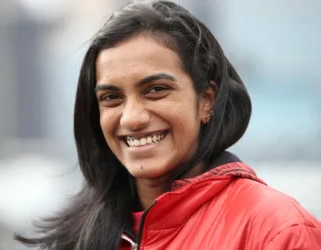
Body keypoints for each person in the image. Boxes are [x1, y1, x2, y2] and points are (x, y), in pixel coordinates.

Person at [17, 0, 321, 249]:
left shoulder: (278, 232)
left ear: (206, 100)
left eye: (156, 90)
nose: (132, 117)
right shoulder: (80, 236)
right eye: (111, 97)